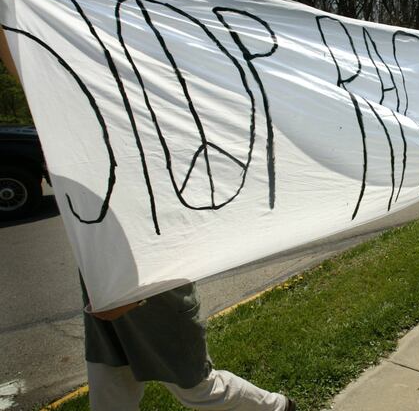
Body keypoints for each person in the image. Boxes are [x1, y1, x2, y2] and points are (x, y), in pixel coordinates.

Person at [0, 29, 296, 411]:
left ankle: (277, 407)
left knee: (196, 388)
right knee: (111, 394)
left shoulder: (153, 136)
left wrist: (128, 295)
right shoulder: (79, 118)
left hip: (150, 291)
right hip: (103, 284)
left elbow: (177, 222)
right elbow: (31, 67)